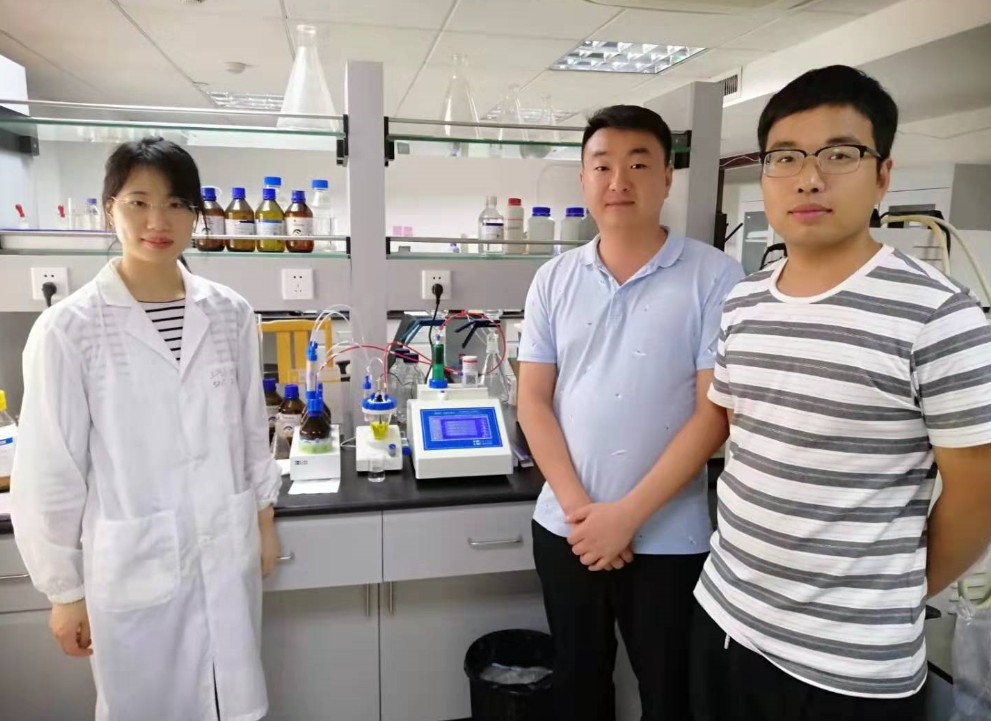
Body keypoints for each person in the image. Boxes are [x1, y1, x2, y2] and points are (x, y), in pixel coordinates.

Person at [691, 65, 991, 721]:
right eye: (785, 157)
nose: (808, 178)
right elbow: (750, 443)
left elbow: (978, 495)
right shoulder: (744, 300)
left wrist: (883, 595)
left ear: (882, 175)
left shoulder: (940, 315)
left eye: (838, 154)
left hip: (848, 667)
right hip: (725, 617)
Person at [11, 137, 282, 721]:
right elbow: (50, 470)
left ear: (196, 215)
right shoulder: (68, 330)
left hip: (225, 547)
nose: (159, 222)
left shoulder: (230, 313)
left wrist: (263, 523)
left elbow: (248, 429)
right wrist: (64, 591)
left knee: (232, 700)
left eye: (177, 204)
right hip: (134, 565)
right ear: (109, 208)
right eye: (139, 202)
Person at [517, 105, 744, 720]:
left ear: (667, 178)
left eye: (639, 165)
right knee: (578, 687)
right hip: (567, 529)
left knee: (672, 696)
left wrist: (626, 517)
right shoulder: (553, 278)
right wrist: (582, 513)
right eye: (602, 166)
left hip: (669, 538)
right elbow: (533, 400)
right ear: (583, 179)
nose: (619, 181)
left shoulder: (717, 277)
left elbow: (714, 414)